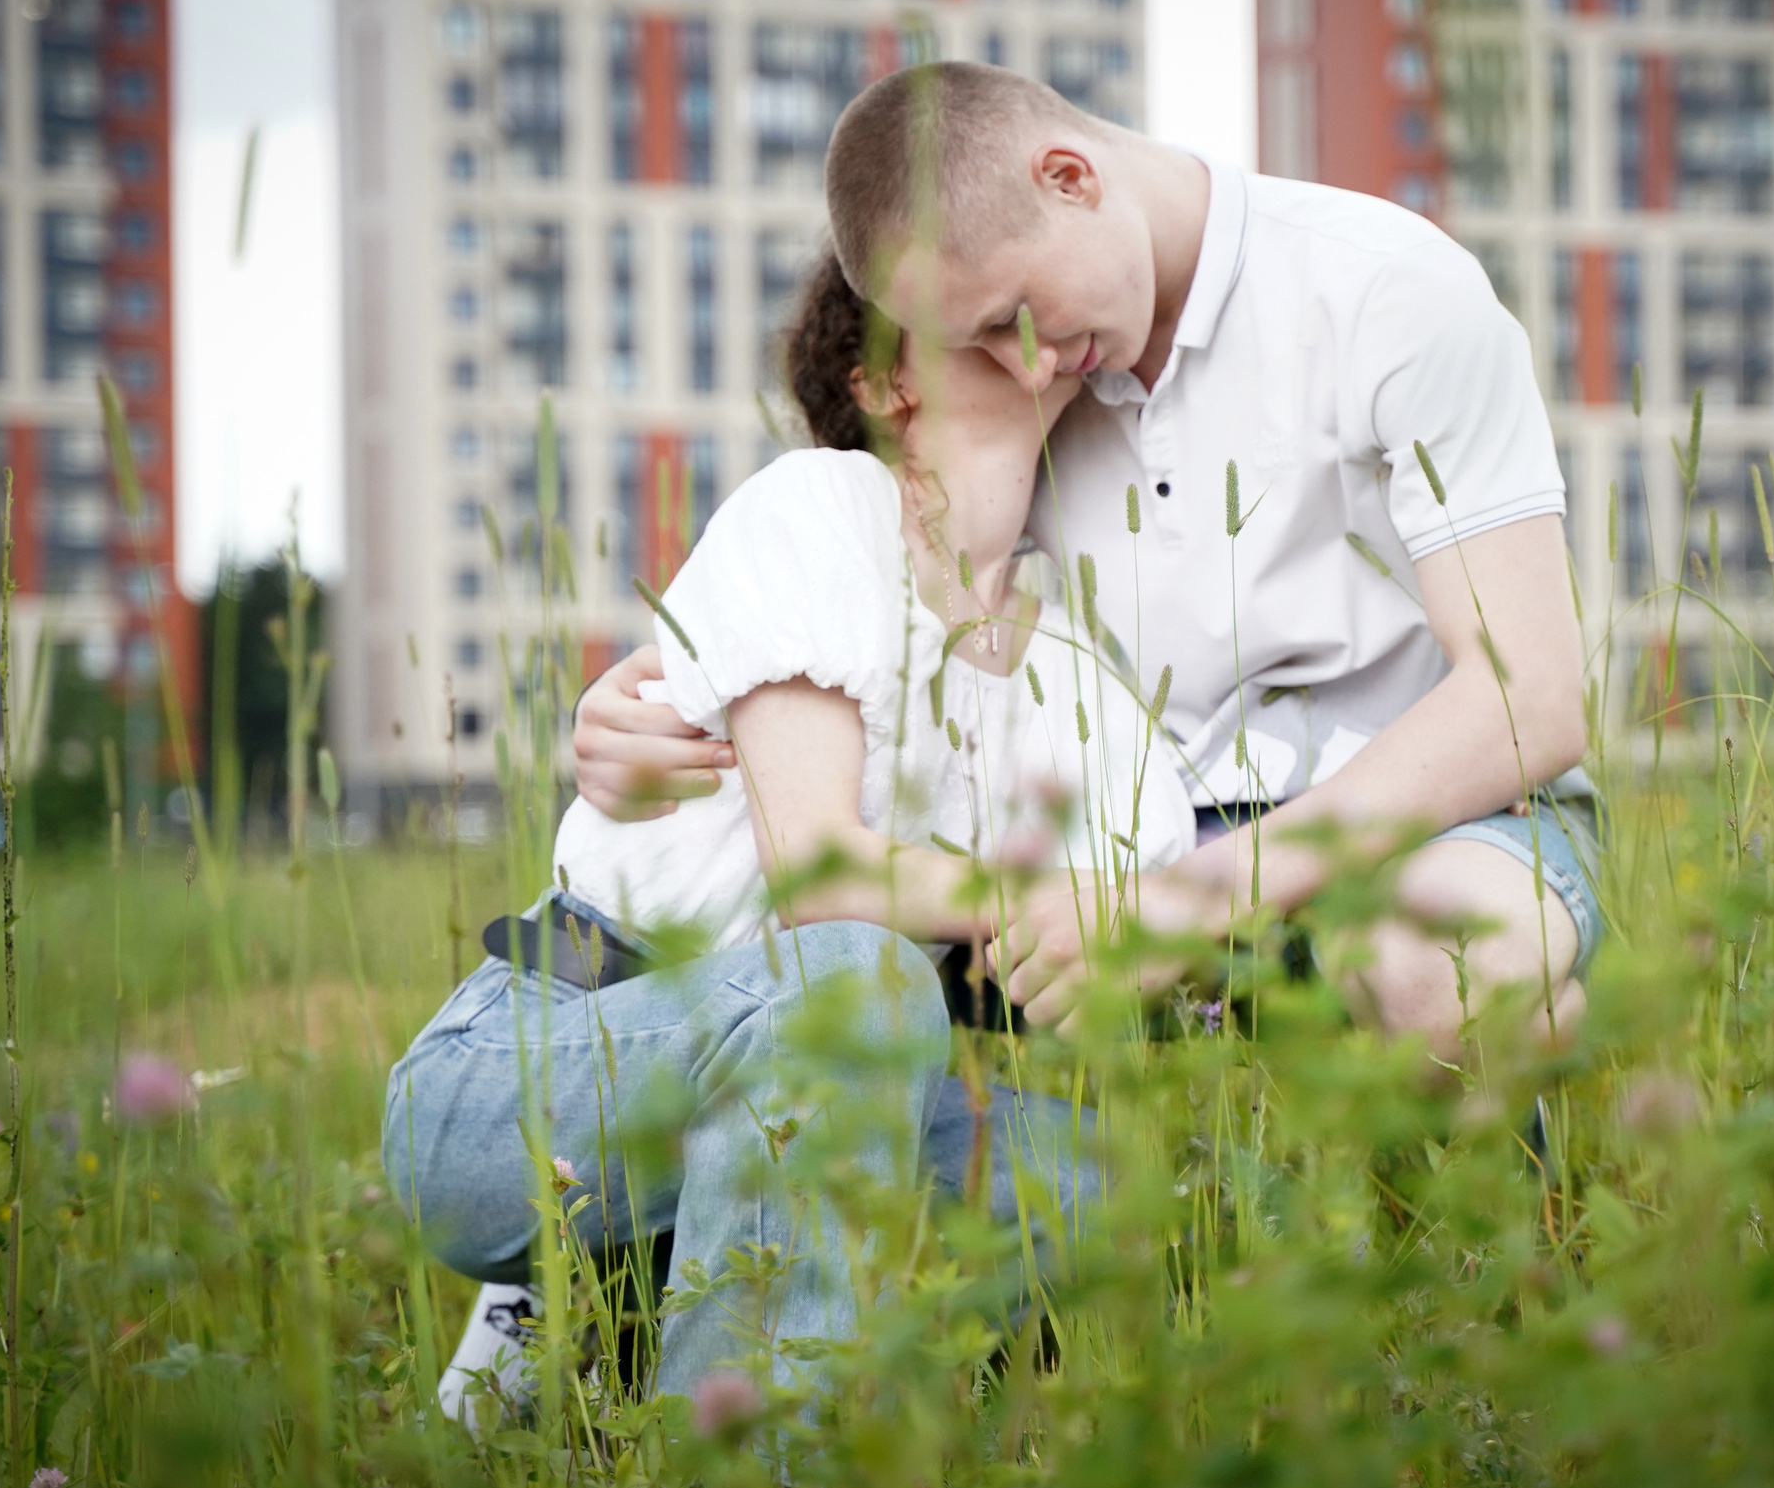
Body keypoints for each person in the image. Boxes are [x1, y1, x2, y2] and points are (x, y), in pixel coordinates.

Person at [576, 61, 1599, 1077]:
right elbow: (887, 591)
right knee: (925, 1060)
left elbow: (1532, 699)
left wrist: (1186, 903)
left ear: (1069, 176)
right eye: (975, 346)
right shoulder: (1047, 390)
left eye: (1008, 317)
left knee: (1437, 973)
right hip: (1124, 860)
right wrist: (648, 714)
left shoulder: (1386, 289)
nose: (1025, 365)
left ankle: (1563, 1129)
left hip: (1427, 819)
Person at [387, 251, 1194, 1430]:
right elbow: (822, 872)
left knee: (1107, 1183)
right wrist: (1046, 897)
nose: (1027, 313)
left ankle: (634, 1308)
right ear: (881, 381)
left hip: (834, 1085)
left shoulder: (1074, 655)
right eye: (974, 306)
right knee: (855, 976)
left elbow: (1132, 915)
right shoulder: (816, 508)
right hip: (543, 1065)